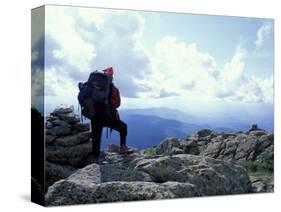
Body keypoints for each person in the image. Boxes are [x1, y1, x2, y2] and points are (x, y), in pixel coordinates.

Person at [90, 67, 132, 162]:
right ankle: (122, 147)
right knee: (123, 127)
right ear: (111, 76)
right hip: (108, 117)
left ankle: (95, 157)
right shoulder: (113, 89)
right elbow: (117, 103)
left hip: (94, 116)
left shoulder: (93, 86)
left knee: (96, 137)